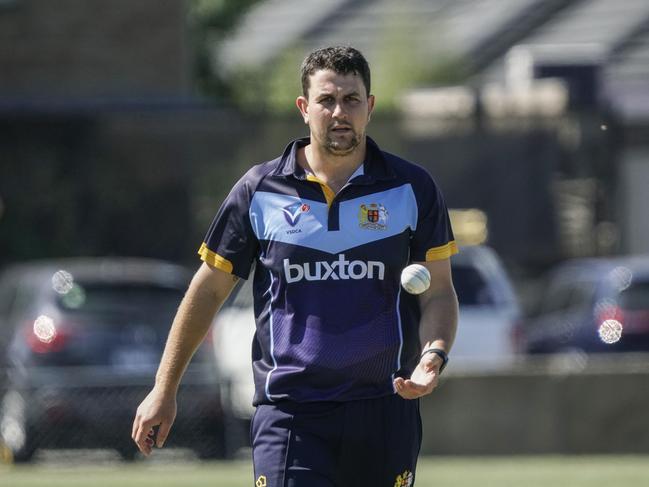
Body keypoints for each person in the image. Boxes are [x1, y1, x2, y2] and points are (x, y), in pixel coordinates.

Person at [132, 46, 458, 487]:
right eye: (326, 100)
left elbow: (438, 291)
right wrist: (164, 388)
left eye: (351, 99)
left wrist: (433, 356)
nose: (339, 112)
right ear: (304, 108)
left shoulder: (411, 188)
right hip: (290, 414)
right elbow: (207, 291)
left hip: (384, 407)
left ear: (371, 107)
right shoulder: (258, 191)